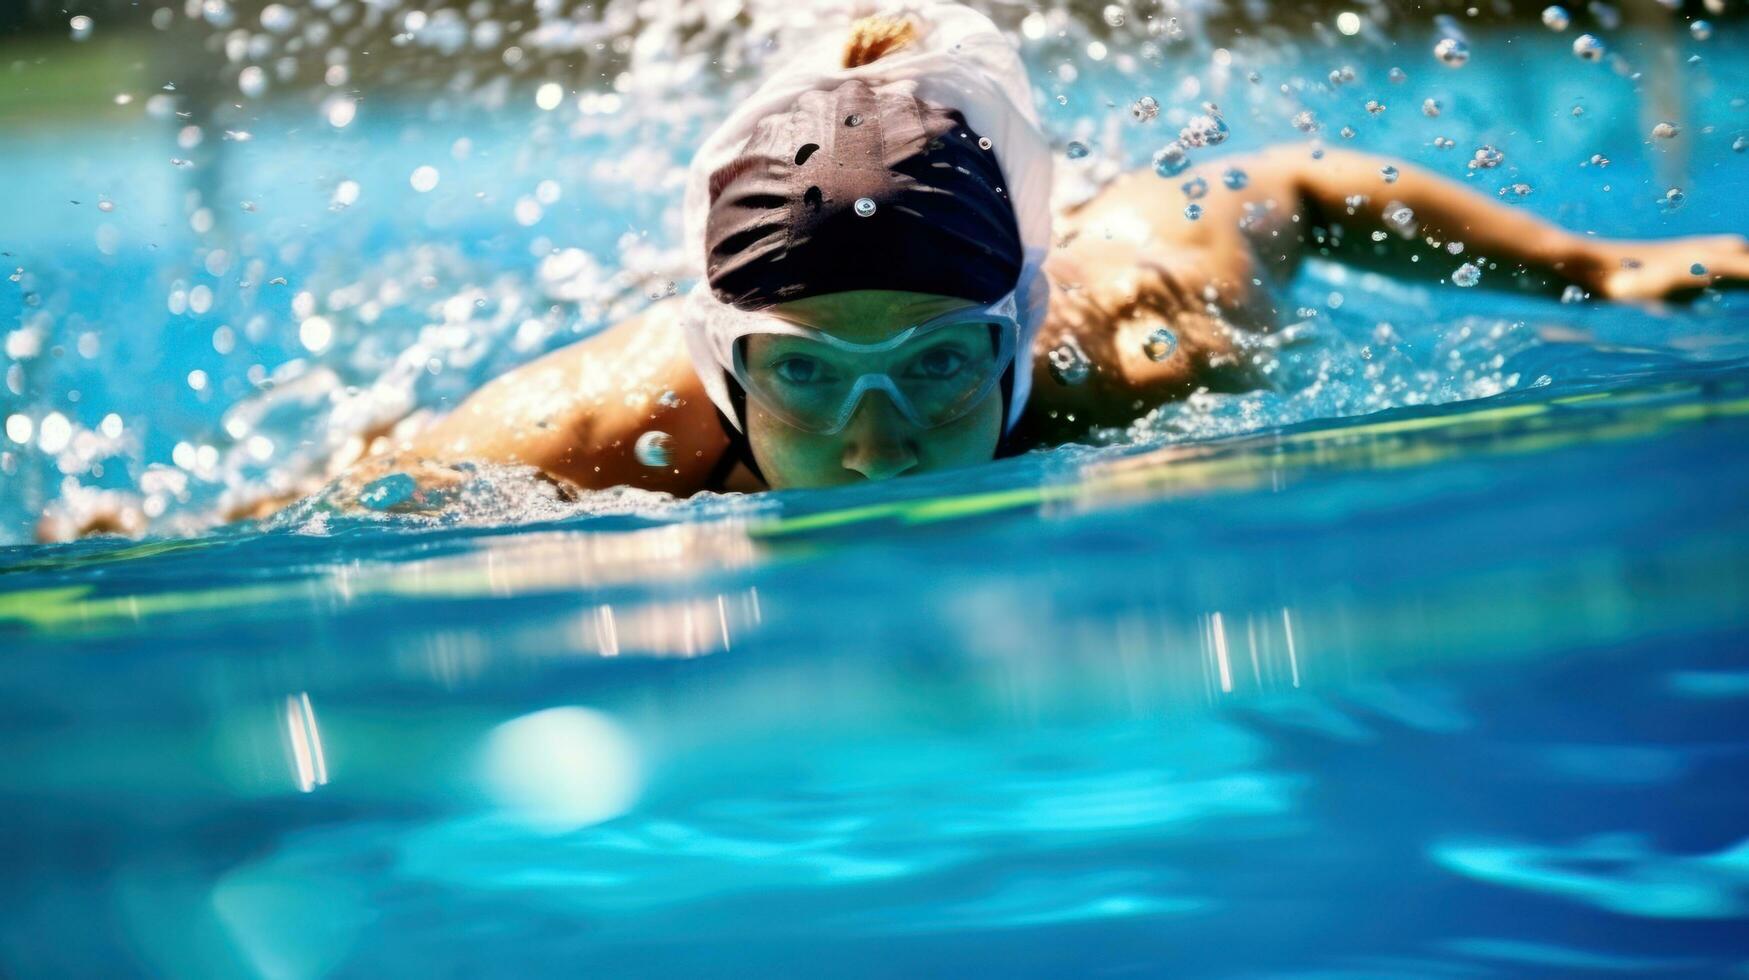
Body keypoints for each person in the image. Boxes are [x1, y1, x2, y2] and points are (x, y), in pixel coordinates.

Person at [36, 5, 1749, 538]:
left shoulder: (1138, 327)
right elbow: (358, 507)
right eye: (805, 375)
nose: (870, 440)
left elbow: (1286, 177)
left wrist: (1600, 270)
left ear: (1014, 343)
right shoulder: (601, 426)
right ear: (722, 367)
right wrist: (206, 526)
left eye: (935, 369)